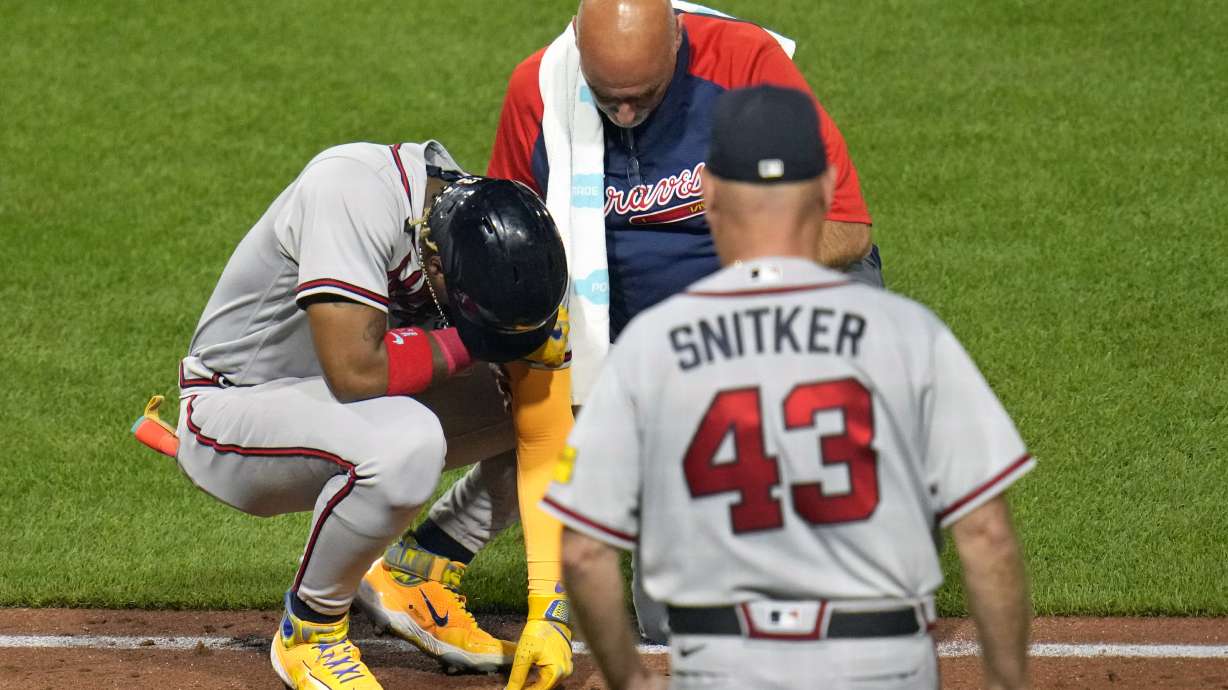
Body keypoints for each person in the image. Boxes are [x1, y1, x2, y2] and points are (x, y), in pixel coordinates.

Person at [404, 1, 880, 663]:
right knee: (675, 623)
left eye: (644, 96)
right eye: (609, 98)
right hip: (625, 335)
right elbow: (516, 263)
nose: (625, 113)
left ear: (678, 42)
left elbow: (846, 231)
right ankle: (429, 555)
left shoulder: (744, 67)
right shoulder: (540, 90)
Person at [545, 85, 1033, 690]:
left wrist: (630, 679)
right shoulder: (910, 335)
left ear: (710, 197)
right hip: (880, 665)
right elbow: (986, 534)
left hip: (725, 667)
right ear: (828, 193)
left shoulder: (651, 345)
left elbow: (585, 551)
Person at [138, 141, 568, 689]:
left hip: (346, 411)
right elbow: (354, 372)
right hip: (234, 411)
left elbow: (548, 431)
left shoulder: (506, 247)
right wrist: (472, 342)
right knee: (406, 443)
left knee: (568, 403)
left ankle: (420, 571)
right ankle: (310, 631)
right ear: (435, 266)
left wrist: (548, 606)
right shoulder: (353, 190)